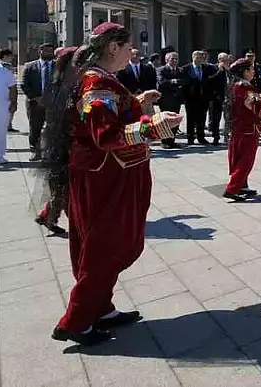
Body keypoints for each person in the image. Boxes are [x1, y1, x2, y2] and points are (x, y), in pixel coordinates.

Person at [40, 22, 180, 346]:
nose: (134, 52)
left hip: (111, 172)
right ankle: (75, 320)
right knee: (104, 247)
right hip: (105, 175)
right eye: (129, 46)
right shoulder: (95, 82)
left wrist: (140, 103)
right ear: (113, 47)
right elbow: (106, 136)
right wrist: (154, 127)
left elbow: (111, 117)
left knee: (104, 244)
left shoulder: (102, 78)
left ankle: (100, 308)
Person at [34, 45, 76, 238]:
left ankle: (48, 216)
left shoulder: (58, 81)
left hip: (58, 139)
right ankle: (57, 218)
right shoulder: (65, 85)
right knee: (64, 185)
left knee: (61, 184)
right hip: (62, 140)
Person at [223, 57, 261, 201]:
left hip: (238, 127)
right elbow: (256, 108)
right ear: (245, 72)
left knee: (238, 158)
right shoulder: (246, 88)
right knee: (246, 160)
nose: (253, 72)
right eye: (251, 69)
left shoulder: (235, 86)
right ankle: (232, 189)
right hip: (248, 128)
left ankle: (242, 186)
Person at [21, 43, 57, 160]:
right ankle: (35, 151)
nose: (48, 54)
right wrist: (36, 98)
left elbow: (64, 84)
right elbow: (24, 85)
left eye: (51, 51)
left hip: (54, 104)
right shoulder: (30, 66)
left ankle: (51, 152)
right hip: (35, 103)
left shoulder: (59, 66)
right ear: (39, 52)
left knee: (53, 128)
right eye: (45, 51)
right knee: (35, 127)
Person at [156, 52, 185, 149]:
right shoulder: (161, 70)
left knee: (175, 120)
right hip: (165, 99)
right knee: (165, 120)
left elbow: (184, 80)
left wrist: (174, 81)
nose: (175, 61)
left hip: (177, 99)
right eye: (172, 59)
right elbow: (162, 82)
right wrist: (174, 81)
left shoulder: (180, 70)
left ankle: (172, 140)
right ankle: (164, 141)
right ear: (166, 60)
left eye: (176, 59)